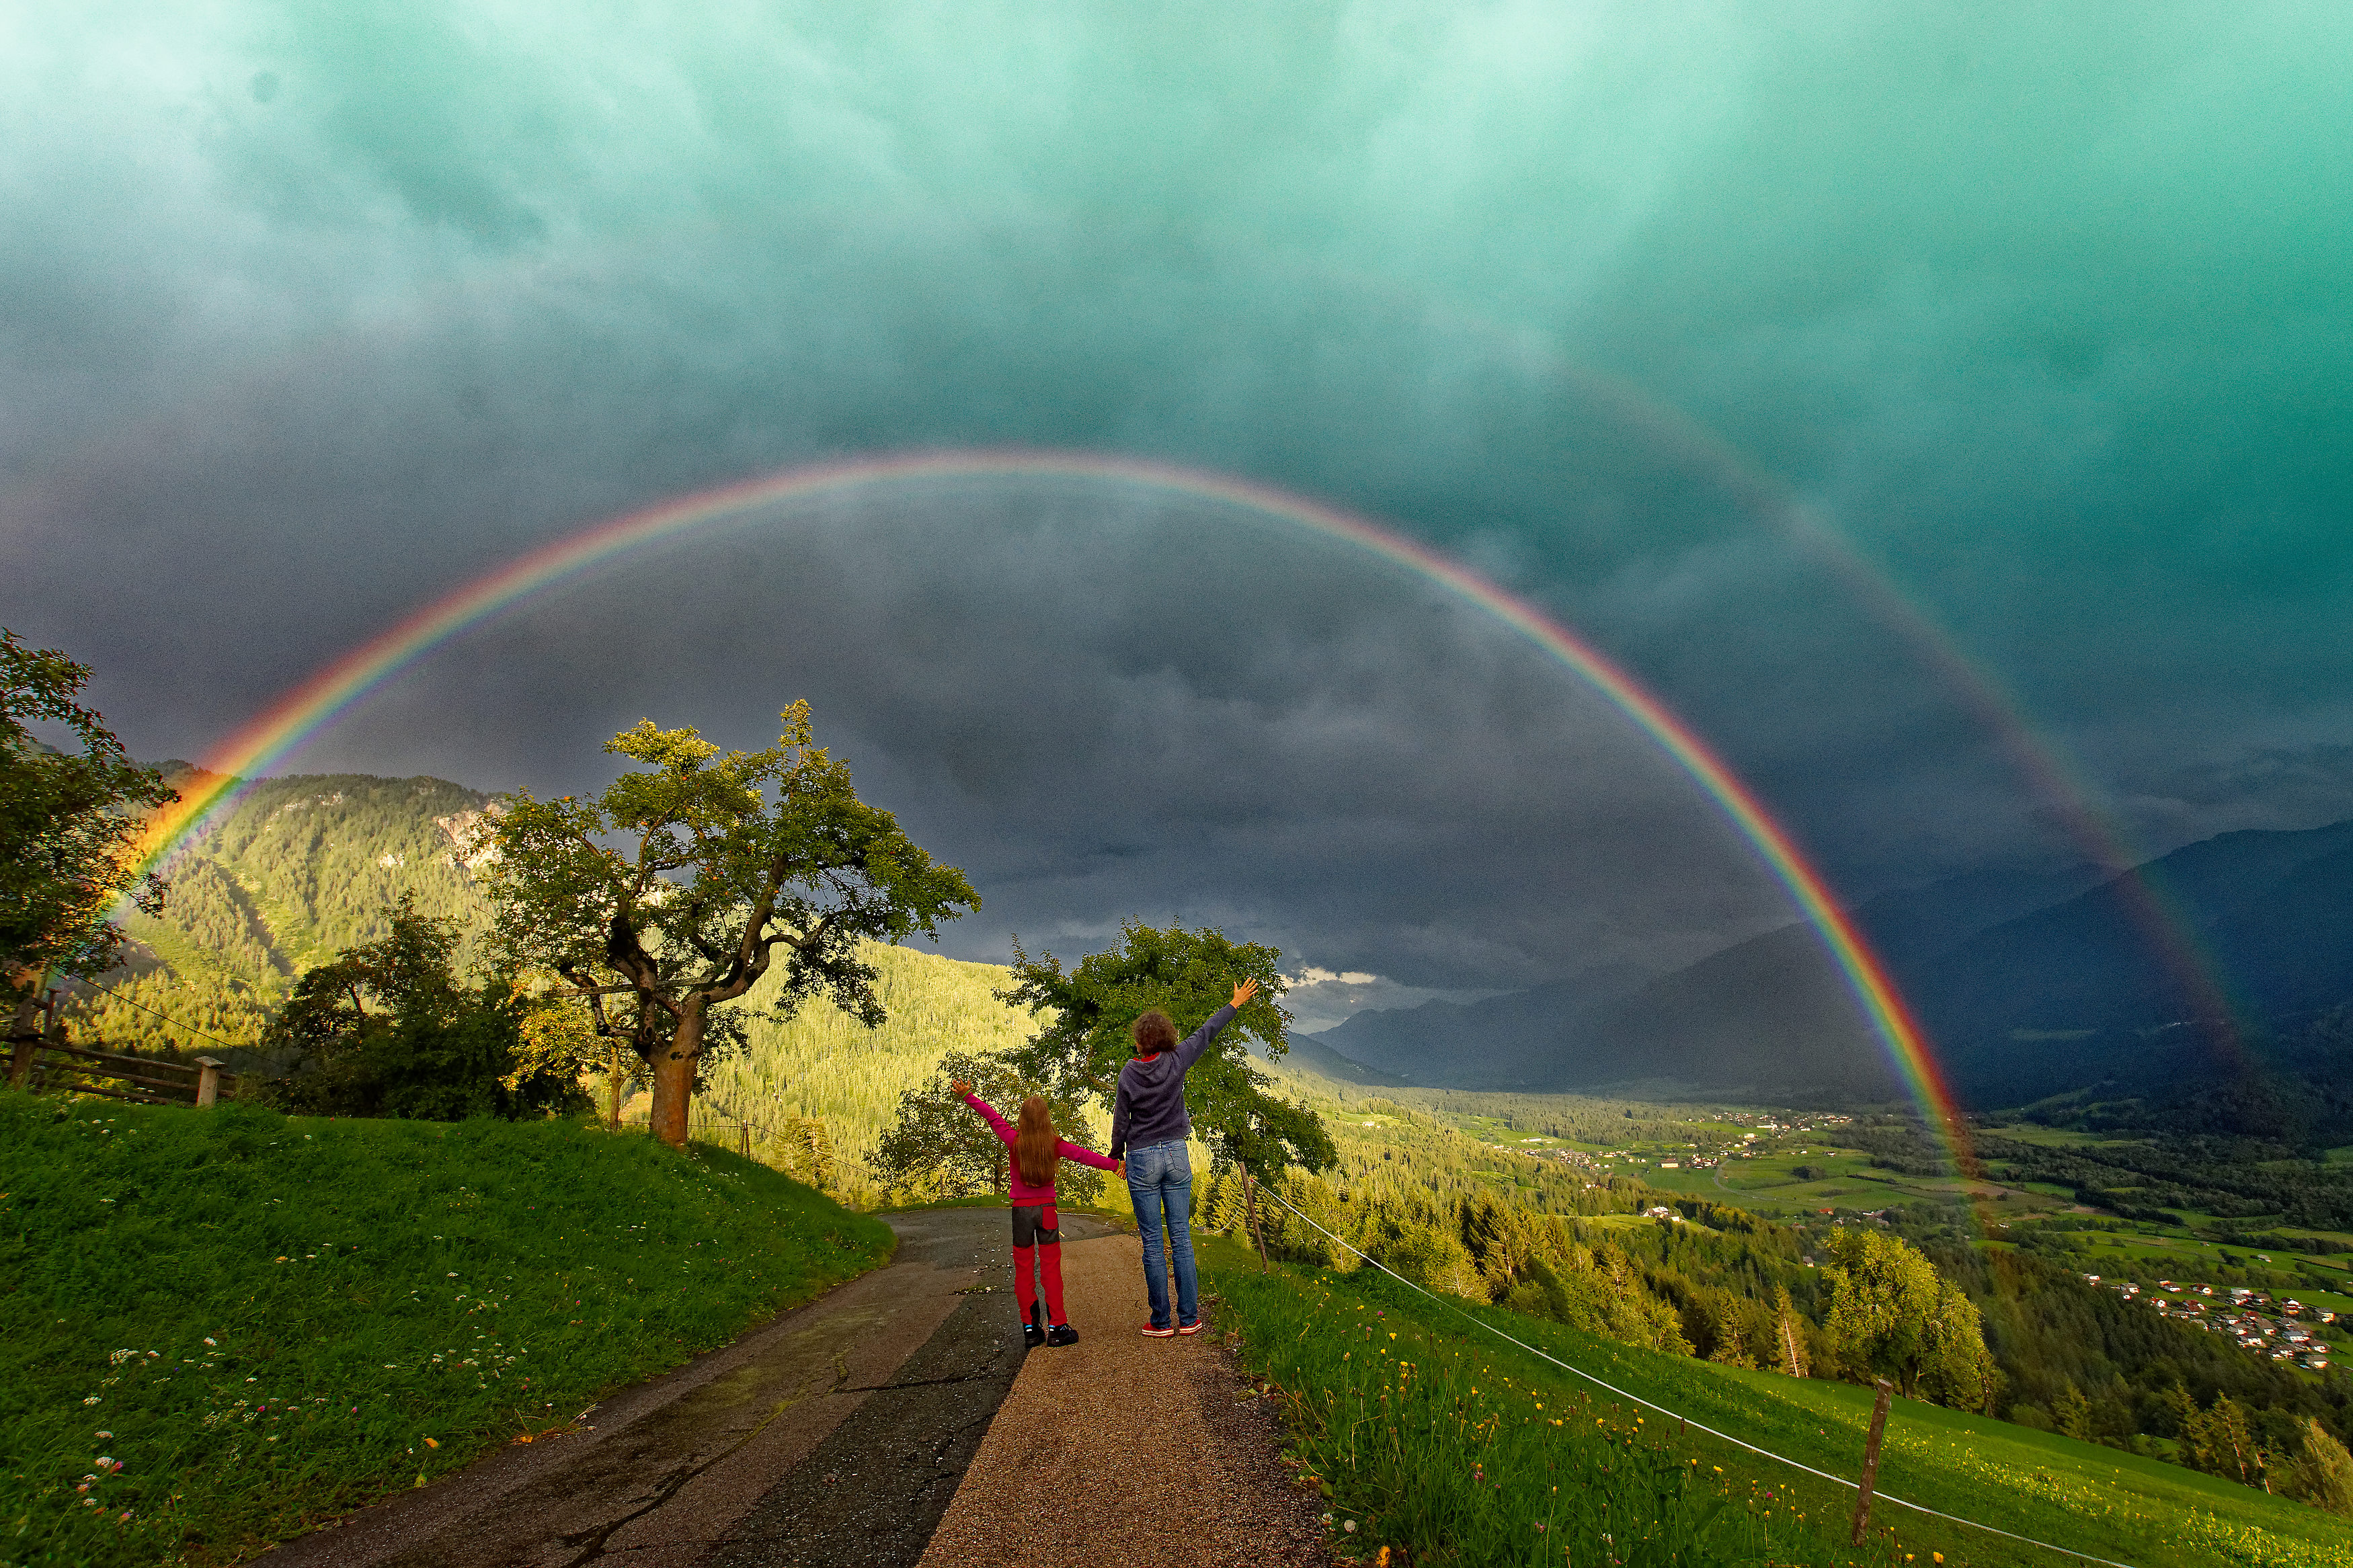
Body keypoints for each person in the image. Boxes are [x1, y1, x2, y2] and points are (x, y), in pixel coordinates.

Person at [1109, 977, 1259, 1337]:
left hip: (1143, 1158)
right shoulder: (1177, 1061)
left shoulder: (1129, 1073)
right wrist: (1235, 1003)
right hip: (1176, 1154)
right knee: (1181, 1237)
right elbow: (1207, 1032)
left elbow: (1121, 1120)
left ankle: (1160, 1322)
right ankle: (1189, 1319)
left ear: (1139, 1040)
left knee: (1152, 1242)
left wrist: (1118, 1156)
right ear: (1165, 1037)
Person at [953, 1080, 1123, 1347]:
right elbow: (1083, 1156)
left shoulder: (1014, 1141)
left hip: (1021, 1212)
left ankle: (1031, 1329)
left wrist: (968, 1096)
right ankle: (1057, 1327)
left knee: (1023, 1271)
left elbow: (992, 1117)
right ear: (1046, 1120)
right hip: (1047, 1211)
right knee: (1051, 1270)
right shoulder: (1054, 1144)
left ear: (1022, 1119)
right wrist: (1115, 1165)